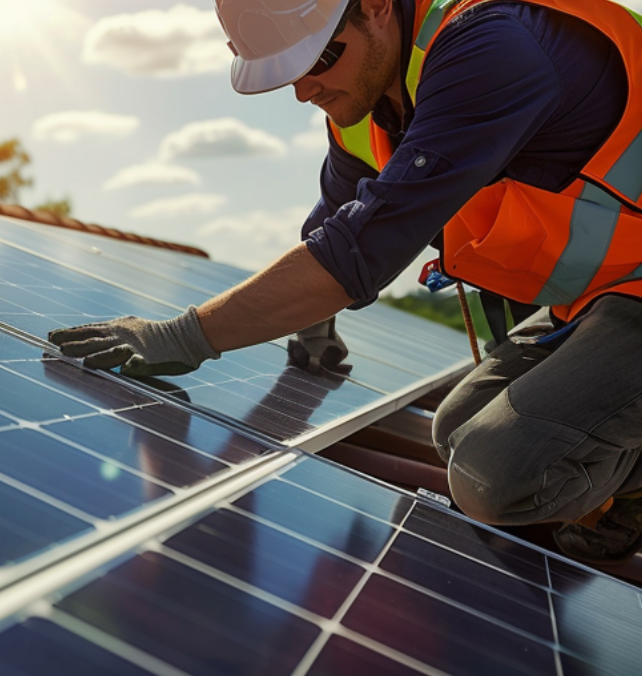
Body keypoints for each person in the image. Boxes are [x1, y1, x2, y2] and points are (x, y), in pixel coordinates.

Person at [50, 0, 642, 566]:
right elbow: (334, 225)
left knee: (496, 476)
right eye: (290, 76)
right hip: (602, 297)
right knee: (455, 429)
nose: (305, 90)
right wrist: (314, 326)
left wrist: (181, 337)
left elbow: (357, 254)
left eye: (320, 61)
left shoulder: (492, 48)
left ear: (379, 6)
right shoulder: (369, 108)